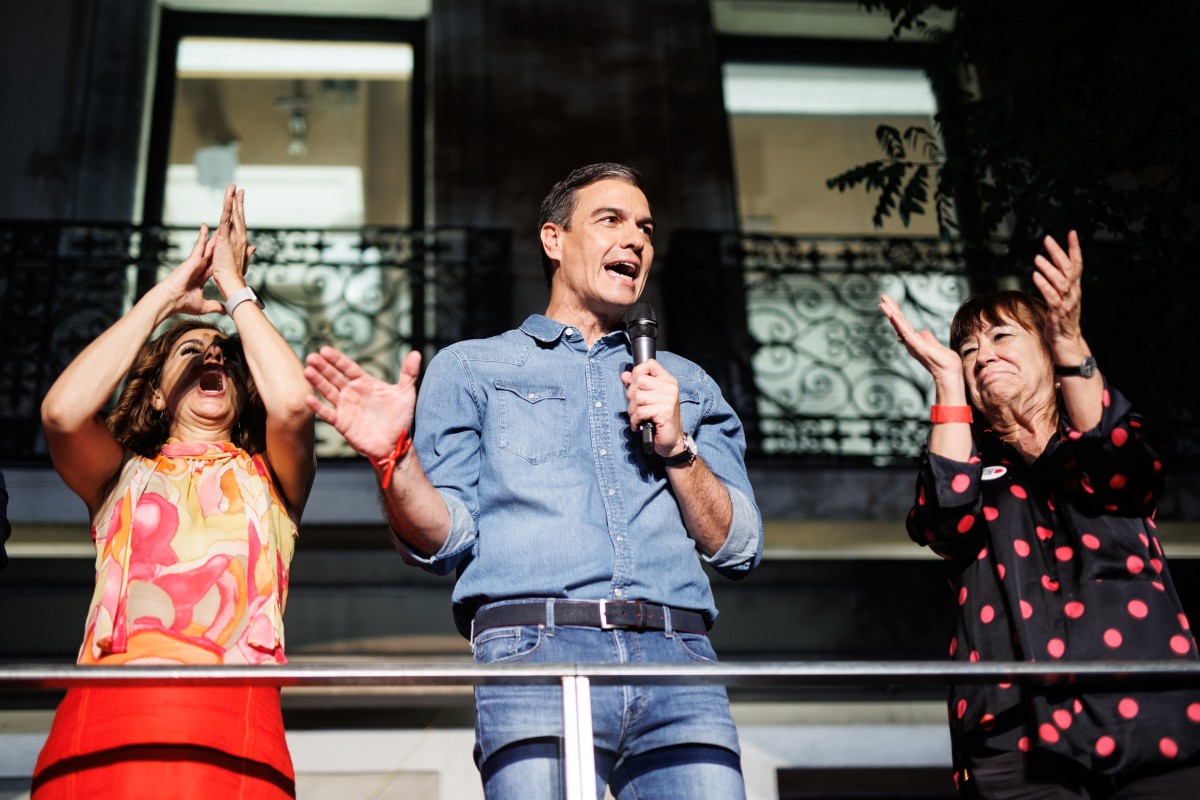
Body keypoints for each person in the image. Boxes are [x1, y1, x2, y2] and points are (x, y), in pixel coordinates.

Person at [304, 162, 764, 799]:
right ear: (554, 239)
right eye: (611, 220)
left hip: (677, 656)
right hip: (536, 653)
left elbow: (738, 545)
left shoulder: (688, 383)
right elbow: (444, 540)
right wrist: (393, 460)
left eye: (646, 229)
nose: (636, 240)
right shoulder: (472, 368)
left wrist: (678, 447)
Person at [880, 231, 1200, 798]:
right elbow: (944, 522)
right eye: (970, 349)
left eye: (1002, 335)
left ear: (1049, 356)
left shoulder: (1094, 446)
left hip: (1151, 717)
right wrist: (947, 382)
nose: (983, 355)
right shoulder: (972, 463)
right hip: (1011, 730)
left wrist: (1070, 338)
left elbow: (1123, 461)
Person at [32, 185, 315, 799]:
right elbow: (61, 414)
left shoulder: (271, 481)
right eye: (191, 351)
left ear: (240, 393)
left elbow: (293, 403)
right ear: (157, 393)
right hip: (109, 712)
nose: (213, 352)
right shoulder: (121, 477)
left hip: (231, 716)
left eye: (223, 357)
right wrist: (164, 298)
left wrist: (236, 289)